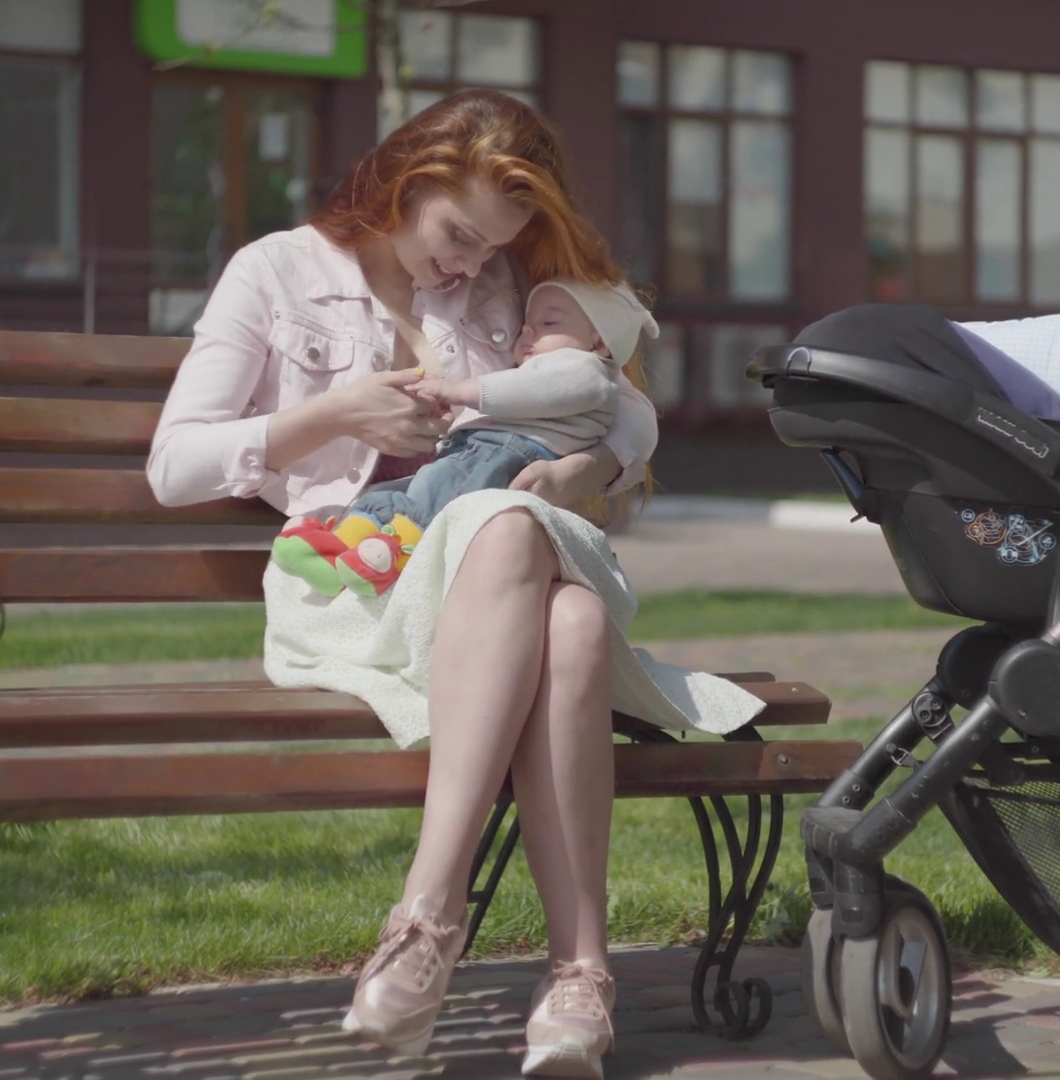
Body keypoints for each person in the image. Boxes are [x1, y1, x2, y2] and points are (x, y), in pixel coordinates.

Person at [147, 90, 661, 1079]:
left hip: (494, 588)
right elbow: (173, 467)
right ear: (408, 179)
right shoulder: (277, 272)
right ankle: (494, 942)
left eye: (493, 245)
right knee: (554, 594)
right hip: (356, 579)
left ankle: (483, 950)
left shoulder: (510, 291)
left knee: (552, 589)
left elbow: (624, 412)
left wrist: (584, 473)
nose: (470, 264)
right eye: (458, 234)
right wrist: (333, 416)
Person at [272, 278, 659, 597]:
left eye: (549, 322)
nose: (528, 330)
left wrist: (458, 391)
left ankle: (394, 553)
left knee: (436, 496)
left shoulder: (588, 372)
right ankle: (344, 543)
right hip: (479, 450)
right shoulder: (552, 369)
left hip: (512, 453)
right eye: (527, 322)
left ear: (598, 343)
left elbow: (531, 391)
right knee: (409, 489)